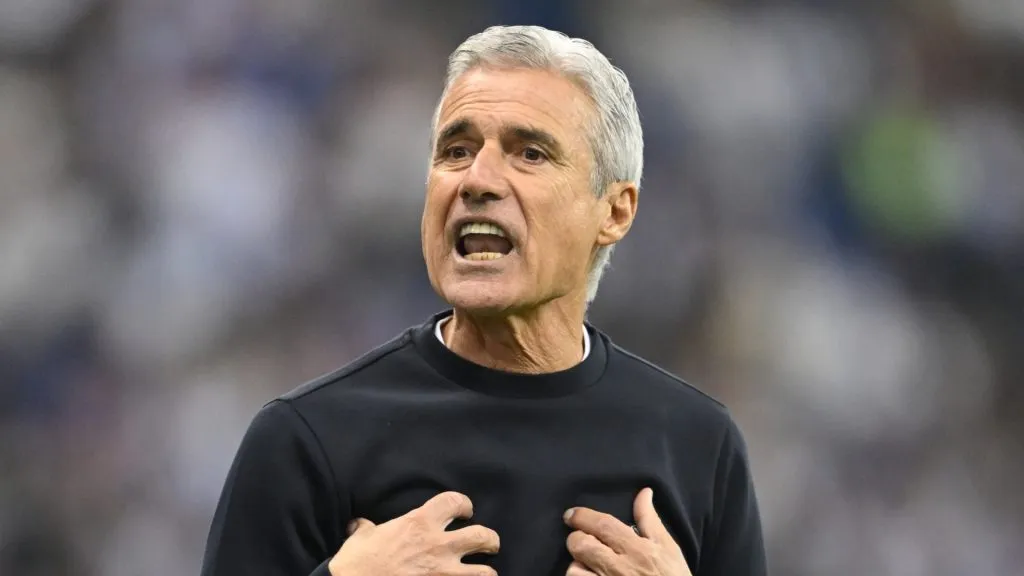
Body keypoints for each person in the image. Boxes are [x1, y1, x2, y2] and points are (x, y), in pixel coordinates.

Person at [200, 25, 767, 576]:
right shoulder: (305, 440)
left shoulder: (697, 447)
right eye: (457, 149)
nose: (478, 178)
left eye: (530, 153)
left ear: (614, 211)